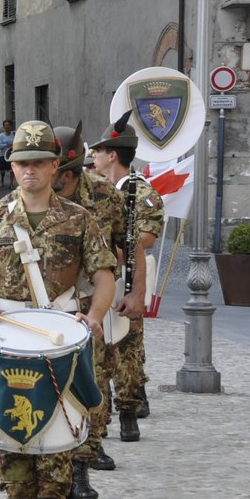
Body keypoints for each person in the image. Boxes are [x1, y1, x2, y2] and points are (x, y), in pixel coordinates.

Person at [0, 121, 115, 499]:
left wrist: (95, 315)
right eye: (22, 163)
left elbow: (104, 275)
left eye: (39, 162)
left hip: (60, 330)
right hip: (9, 332)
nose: (30, 170)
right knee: (9, 416)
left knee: (56, 421)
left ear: (54, 166)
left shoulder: (79, 219)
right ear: (12, 167)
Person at [52, 126, 127, 499]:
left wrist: (127, 294)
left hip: (92, 305)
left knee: (91, 385)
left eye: (62, 175)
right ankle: (50, 470)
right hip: (49, 307)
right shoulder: (31, 197)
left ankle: (82, 467)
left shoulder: (105, 196)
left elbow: (119, 248)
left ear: (72, 172)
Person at [91, 114, 164, 437]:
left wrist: (107, 253)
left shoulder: (141, 192)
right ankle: (99, 419)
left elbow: (146, 237)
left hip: (125, 278)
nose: (92, 157)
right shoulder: (94, 191)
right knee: (97, 350)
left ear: (112, 154)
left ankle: (129, 410)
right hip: (96, 281)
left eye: (98, 151)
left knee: (127, 348)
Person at [0, 120, 15, 187]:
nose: (7, 127)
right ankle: (1, 180)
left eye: (8, 125)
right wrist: (7, 145)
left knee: (12, 169)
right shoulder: (1, 136)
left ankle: (11, 182)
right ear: (3, 127)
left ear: (11, 126)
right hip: (3, 154)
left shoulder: (13, 135)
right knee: (2, 170)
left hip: (12, 154)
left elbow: (15, 143)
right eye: (5, 125)